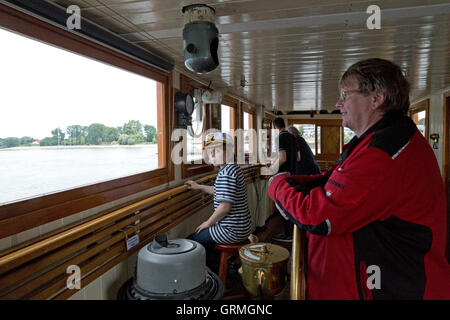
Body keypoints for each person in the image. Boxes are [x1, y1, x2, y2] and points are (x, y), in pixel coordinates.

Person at [268, 58, 450, 299]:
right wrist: (297, 182)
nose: (338, 103)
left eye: (345, 94)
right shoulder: (378, 141)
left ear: (377, 98)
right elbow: (334, 181)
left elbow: (318, 216)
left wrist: (276, 184)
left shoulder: (384, 154)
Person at [185, 132, 253, 272]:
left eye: (216, 151)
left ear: (228, 151)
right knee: (205, 240)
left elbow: (224, 207)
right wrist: (199, 186)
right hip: (243, 227)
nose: (213, 156)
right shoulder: (233, 168)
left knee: (192, 241)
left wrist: (207, 223)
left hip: (231, 230)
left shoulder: (226, 173)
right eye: (210, 152)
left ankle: (227, 270)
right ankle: (224, 266)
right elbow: (220, 191)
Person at [270, 118, 298, 242]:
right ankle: (293, 233)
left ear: (275, 127)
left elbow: (282, 158)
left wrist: (271, 169)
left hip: (282, 177)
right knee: (290, 204)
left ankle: (288, 234)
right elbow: (298, 157)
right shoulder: (293, 137)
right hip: (293, 174)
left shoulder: (279, 138)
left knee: (282, 205)